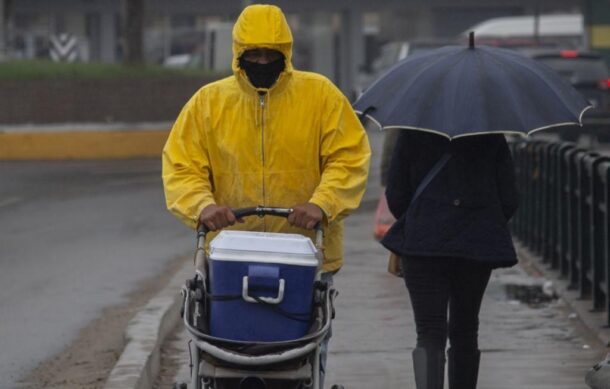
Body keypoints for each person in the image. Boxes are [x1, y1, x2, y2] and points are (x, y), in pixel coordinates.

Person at [161, 4, 371, 386]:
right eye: (253, 54)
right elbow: (182, 166)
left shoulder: (320, 96)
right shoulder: (209, 103)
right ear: (238, 55)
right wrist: (202, 206)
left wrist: (322, 204)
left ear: (285, 53)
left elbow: (349, 159)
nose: (261, 61)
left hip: (306, 252)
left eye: (269, 54)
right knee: (226, 347)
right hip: (231, 257)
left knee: (305, 348)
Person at [381, 131, 519, 389]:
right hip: (475, 245)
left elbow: (397, 196)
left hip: (424, 245)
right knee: (466, 330)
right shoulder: (490, 135)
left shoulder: (413, 133)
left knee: (429, 332)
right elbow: (509, 198)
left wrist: (425, 217)